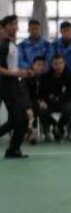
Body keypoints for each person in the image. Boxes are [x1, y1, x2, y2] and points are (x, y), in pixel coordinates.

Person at [0, 15, 31, 158]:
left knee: (19, 119)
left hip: (14, 84)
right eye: (12, 24)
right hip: (6, 86)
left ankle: (13, 150)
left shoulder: (12, 44)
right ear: (4, 27)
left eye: (16, 24)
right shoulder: (4, 46)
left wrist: (24, 72)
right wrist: (14, 73)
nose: (15, 27)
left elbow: (12, 66)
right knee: (20, 119)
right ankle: (13, 149)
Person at [39, 54, 71, 142]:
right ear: (51, 65)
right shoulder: (45, 77)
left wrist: (63, 98)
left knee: (69, 109)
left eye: (60, 63)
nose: (58, 66)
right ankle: (52, 128)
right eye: (55, 64)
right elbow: (41, 92)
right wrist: (42, 101)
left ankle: (59, 127)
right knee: (41, 110)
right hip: (50, 103)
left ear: (64, 63)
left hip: (65, 102)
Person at [22, 56, 47, 144]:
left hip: (36, 103)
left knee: (44, 109)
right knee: (33, 108)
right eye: (38, 65)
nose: (41, 67)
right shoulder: (27, 77)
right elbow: (25, 94)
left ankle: (46, 130)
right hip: (24, 102)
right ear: (33, 65)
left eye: (43, 65)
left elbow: (45, 93)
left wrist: (42, 100)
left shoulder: (44, 78)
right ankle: (30, 132)